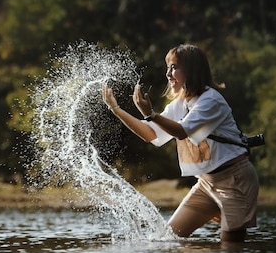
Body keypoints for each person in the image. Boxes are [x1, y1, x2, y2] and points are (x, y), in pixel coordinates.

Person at [101, 44, 259, 242]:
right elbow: (151, 134)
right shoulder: (179, 104)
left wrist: (150, 114)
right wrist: (117, 110)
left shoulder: (210, 100)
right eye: (167, 67)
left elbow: (181, 132)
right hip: (206, 184)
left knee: (231, 251)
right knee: (168, 240)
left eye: (174, 67)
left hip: (235, 181)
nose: (168, 74)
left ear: (191, 70)